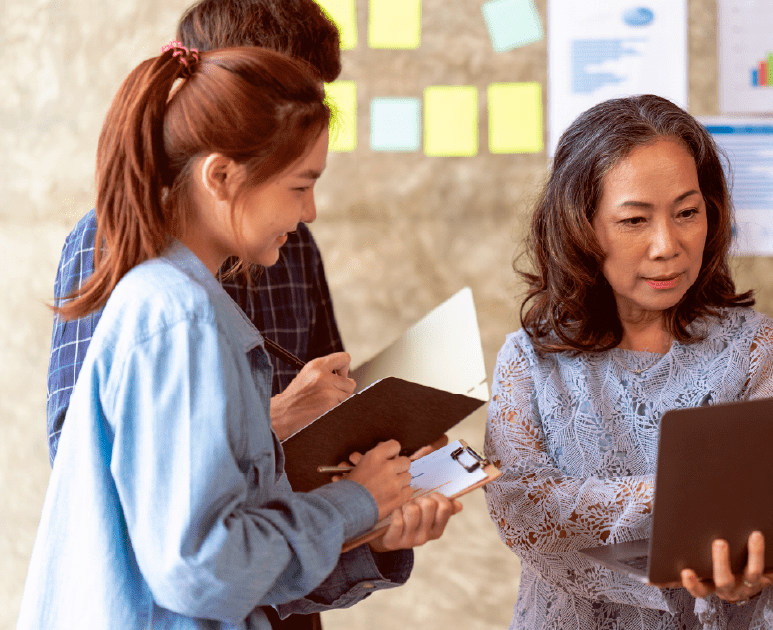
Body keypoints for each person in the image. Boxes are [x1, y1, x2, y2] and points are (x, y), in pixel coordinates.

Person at [18, 45, 460, 629]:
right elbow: (204, 568)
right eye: (299, 186)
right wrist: (356, 501)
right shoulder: (181, 318)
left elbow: (225, 554)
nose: (311, 211)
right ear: (221, 176)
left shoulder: (174, 302)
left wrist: (369, 517)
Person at [483, 94, 773, 630]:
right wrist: (682, 496)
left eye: (687, 213)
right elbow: (522, 510)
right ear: (579, 227)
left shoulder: (759, 350)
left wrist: (756, 571)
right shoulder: (529, 359)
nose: (667, 246)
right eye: (635, 220)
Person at [47, 0, 349, 466]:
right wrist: (275, 418)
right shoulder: (121, 246)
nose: (309, 123)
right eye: (287, 101)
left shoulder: (292, 241)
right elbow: (80, 455)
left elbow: (332, 397)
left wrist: (388, 465)